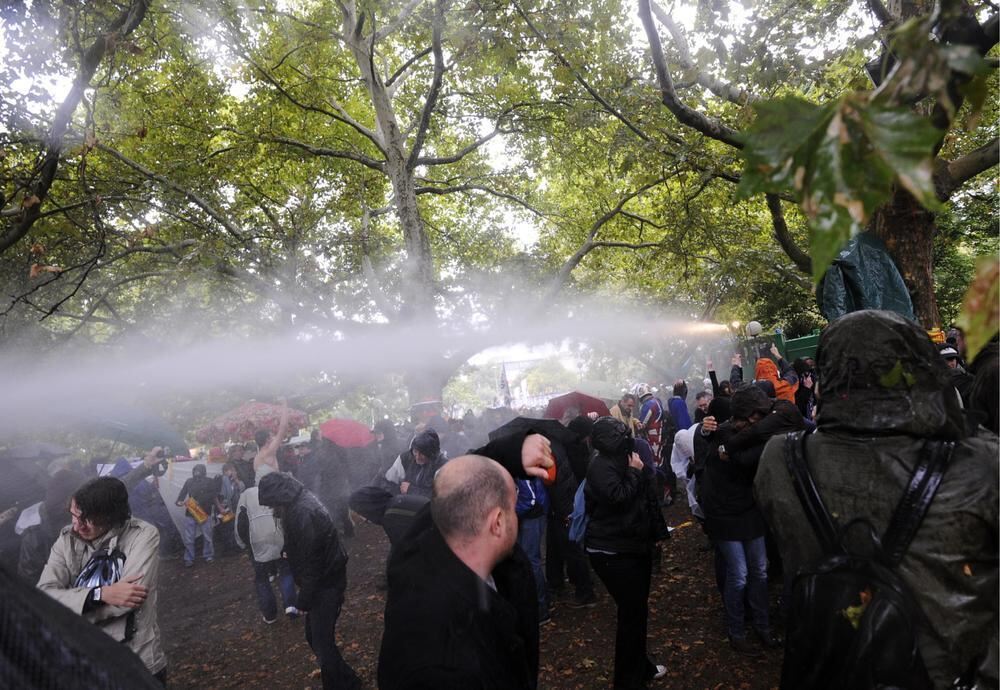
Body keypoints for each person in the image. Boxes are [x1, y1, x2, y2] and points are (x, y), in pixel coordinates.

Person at [755, 310, 998, 689]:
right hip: (948, 673)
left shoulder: (780, 460)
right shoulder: (980, 460)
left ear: (826, 378)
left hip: (829, 667)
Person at [378, 432, 555, 690]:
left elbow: (460, 486)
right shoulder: (448, 668)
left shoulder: (424, 545)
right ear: (497, 523)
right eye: (513, 508)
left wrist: (512, 451)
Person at [37, 476, 167, 680]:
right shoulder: (66, 540)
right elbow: (44, 596)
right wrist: (100, 594)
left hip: (137, 662)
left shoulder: (142, 535)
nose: (77, 527)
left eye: (88, 520)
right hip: (83, 662)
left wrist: (66, 611)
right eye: (74, 516)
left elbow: (129, 600)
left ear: (112, 518)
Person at [584, 416, 666, 689]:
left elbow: (645, 498)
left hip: (633, 545)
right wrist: (635, 472)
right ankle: (628, 680)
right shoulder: (599, 465)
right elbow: (617, 498)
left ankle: (641, 667)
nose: (624, 436)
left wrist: (657, 534)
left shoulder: (628, 457)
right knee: (631, 615)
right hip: (611, 551)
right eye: (617, 434)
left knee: (637, 612)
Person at [258, 470, 360, 690]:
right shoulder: (297, 502)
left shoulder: (302, 510)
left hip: (326, 583)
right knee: (314, 637)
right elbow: (305, 544)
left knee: (322, 644)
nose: (270, 508)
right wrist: (289, 549)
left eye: (271, 503)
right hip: (324, 580)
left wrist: (303, 600)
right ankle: (349, 681)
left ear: (280, 496)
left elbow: (314, 560)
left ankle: (339, 685)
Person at [234, 464, 298, 624]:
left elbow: (239, 521)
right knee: (285, 571)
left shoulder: (247, 494)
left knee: (261, 578)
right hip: (280, 537)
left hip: (256, 542)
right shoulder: (278, 491)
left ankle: (270, 615)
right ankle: (291, 606)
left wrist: (242, 542)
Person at [174, 464, 223, 567]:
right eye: (195, 471)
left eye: (199, 471)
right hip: (191, 513)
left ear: (203, 471)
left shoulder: (210, 481)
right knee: (189, 538)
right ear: (193, 471)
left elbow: (214, 497)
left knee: (208, 536)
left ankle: (208, 555)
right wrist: (180, 502)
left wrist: (220, 508)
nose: (197, 473)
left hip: (205, 512)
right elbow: (181, 497)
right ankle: (189, 558)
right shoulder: (189, 482)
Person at [383, 429, 447, 498]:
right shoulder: (405, 458)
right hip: (402, 503)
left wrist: (412, 490)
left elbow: (442, 496)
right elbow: (388, 483)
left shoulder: (443, 466)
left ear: (432, 454)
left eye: (422, 453)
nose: (417, 457)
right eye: (415, 451)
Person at [254, 397, 290, 476]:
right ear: (268, 440)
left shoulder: (257, 457)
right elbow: (283, 428)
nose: (274, 437)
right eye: (272, 436)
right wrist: (284, 404)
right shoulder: (269, 451)